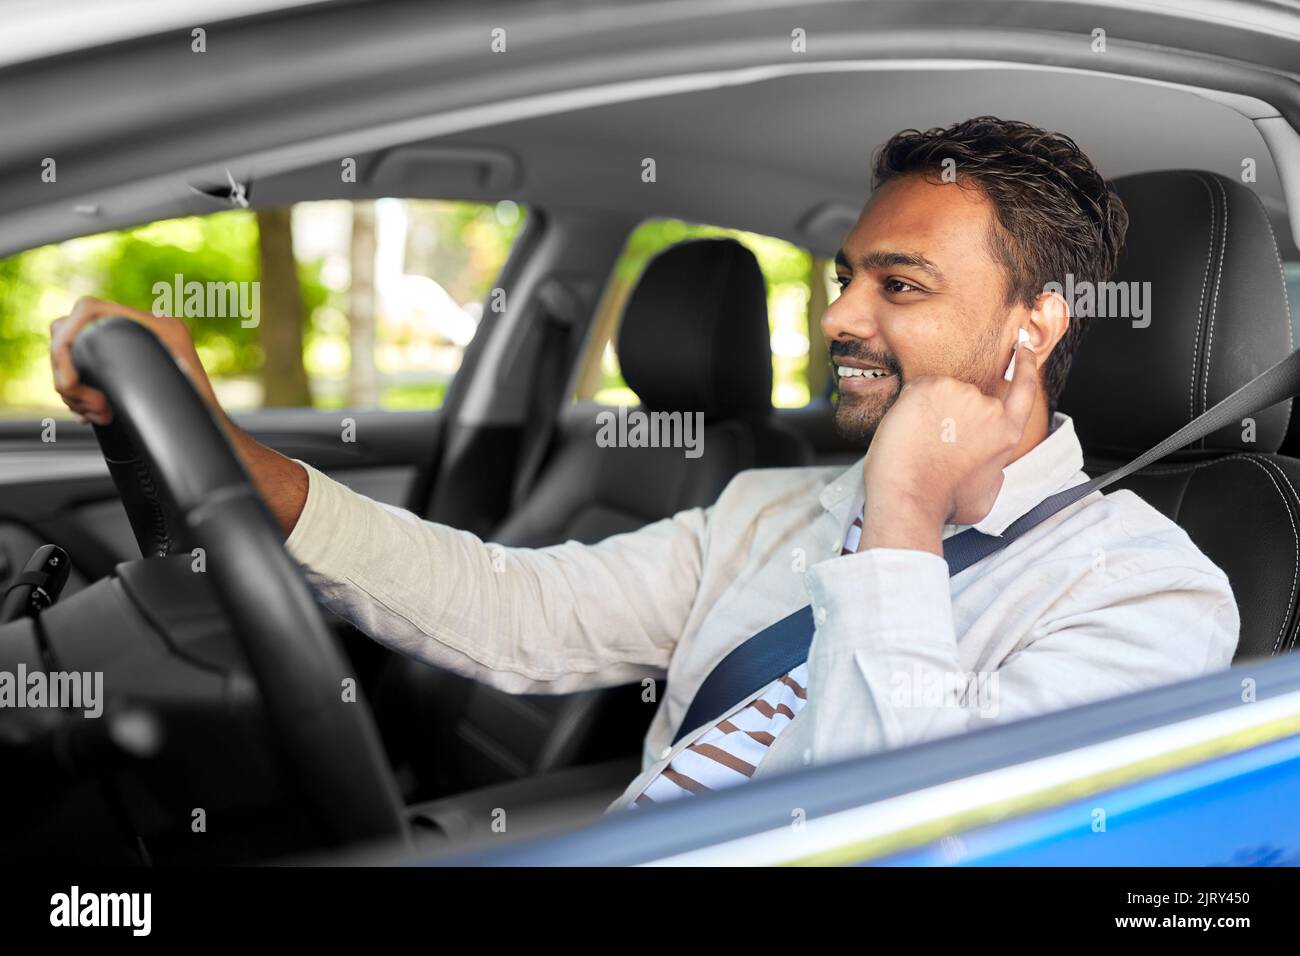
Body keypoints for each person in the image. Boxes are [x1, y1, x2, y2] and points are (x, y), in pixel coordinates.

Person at [50, 117, 1238, 812]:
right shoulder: (775, 503)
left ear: (1035, 324)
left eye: (900, 285)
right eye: (845, 276)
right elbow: (519, 611)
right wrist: (235, 457)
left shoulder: (1148, 592)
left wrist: (907, 510)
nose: (836, 319)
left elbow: (903, 825)